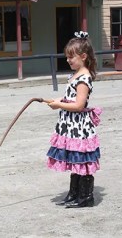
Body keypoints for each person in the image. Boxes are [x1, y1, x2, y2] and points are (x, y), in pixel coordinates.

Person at [45, 31, 101, 208]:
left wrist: (59, 106)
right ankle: (74, 193)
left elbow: (78, 105)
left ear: (83, 56)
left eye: (71, 57)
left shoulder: (84, 78)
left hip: (80, 127)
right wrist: (59, 101)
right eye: (67, 57)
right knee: (74, 158)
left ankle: (85, 197)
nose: (68, 60)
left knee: (81, 159)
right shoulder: (75, 75)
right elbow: (70, 99)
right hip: (70, 125)